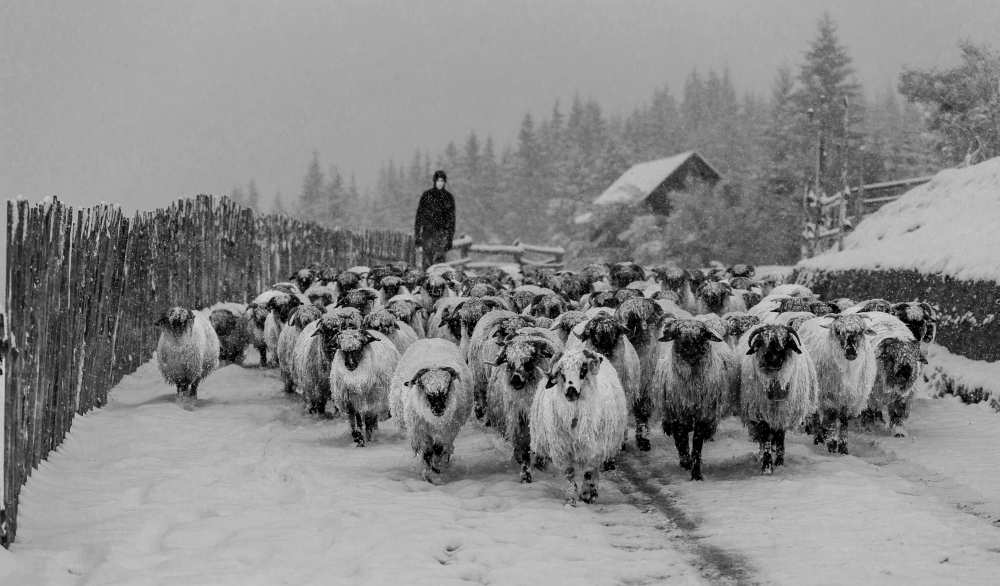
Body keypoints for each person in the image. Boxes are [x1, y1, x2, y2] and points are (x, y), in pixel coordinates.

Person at [414, 170, 456, 270]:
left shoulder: (448, 198)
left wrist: (450, 238)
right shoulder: (427, 196)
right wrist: (417, 235)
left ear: (445, 182)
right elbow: (419, 216)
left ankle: (439, 284)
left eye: (442, 181)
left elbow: (451, 220)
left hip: (442, 235)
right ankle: (426, 283)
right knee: (427, 263)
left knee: (440, 265)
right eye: (438, 180)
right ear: (434, 181)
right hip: (428, 234)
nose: (440, 183)